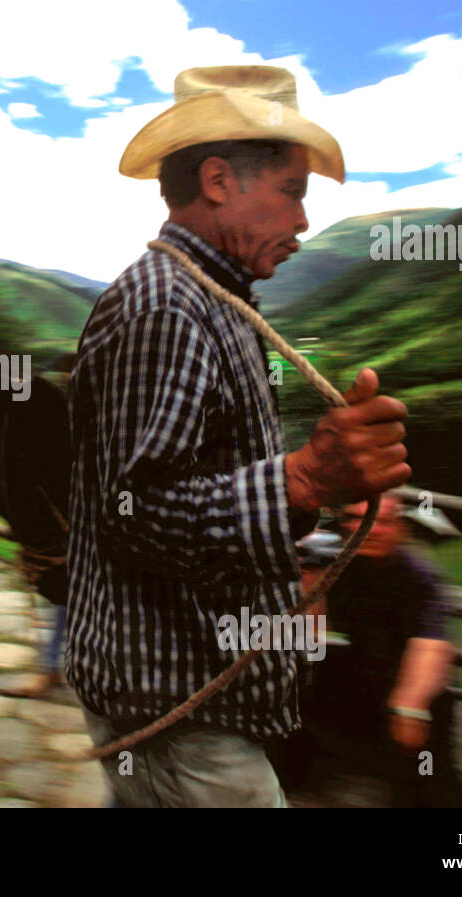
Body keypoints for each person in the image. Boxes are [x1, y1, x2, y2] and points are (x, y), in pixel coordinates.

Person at [64, 65, 411, 807]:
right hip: (177, 699)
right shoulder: (168, 308)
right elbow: (136, 512)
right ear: (219, 180)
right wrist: (305, 481)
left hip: (186, 689)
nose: (304, 222)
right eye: (293, 192)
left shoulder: (211, 300)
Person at [277, 497, 462, 807]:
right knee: (296, 701)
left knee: (430, 780)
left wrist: (410, 705)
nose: (369, 529)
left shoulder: (418, 575)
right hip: (363, 669)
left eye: (383, 522)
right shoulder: (337, 562)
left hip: (417, 682)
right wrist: (311, 578)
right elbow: (311, 628)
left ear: (400, 528)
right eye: (356, 520)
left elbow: (431, 644)